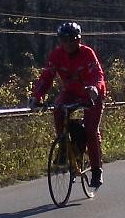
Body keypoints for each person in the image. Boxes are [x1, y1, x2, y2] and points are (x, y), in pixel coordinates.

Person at [30, 21, 106, 189]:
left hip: (91, 94)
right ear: (60, 41)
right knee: (58, 109)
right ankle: (64, 146)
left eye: (72, 40)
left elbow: (97, 74)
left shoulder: (87, 53)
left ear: (79, 40)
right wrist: (36, 96)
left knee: (91, 131)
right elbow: (46, 77)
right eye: (65, 40)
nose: (69, 44)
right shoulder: (56, 55)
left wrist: (95, 88)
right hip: (71, 92)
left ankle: (96, 170)